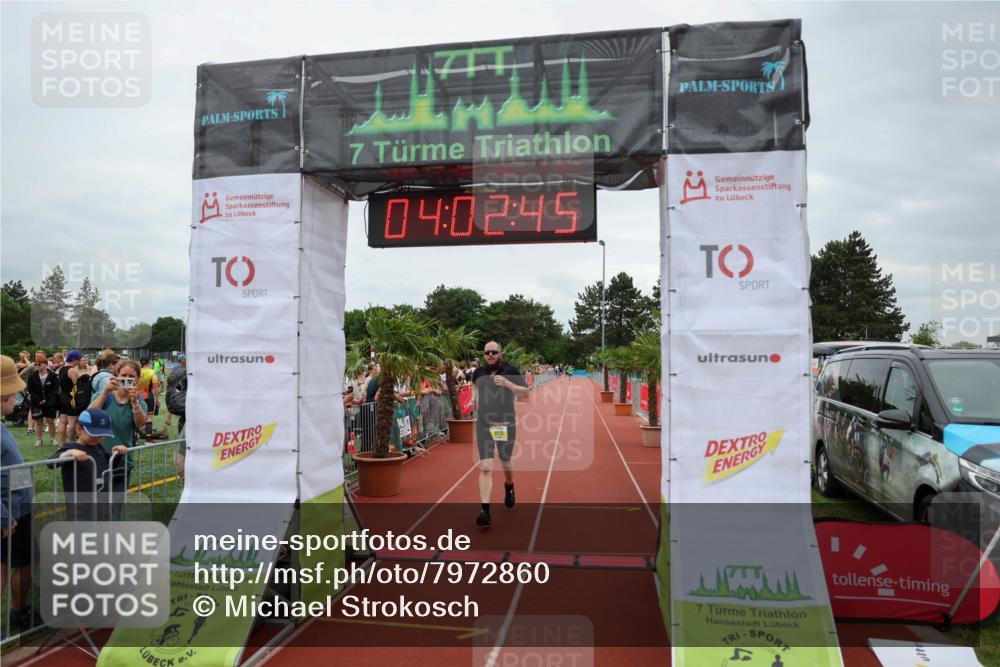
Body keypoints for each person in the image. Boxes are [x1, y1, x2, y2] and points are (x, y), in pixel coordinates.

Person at [471, 342, 530, 527]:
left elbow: (525, 393)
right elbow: (474, 385)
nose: (490, 355)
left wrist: (508, 384)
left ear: (500, 354)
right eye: (487, 352)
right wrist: (474, 398)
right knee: (486, 466)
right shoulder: (478, 372)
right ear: (484, 355)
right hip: (484, 425)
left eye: (494, 352)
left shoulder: (511, 370)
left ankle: (509, 485)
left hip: (505, 424)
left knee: (505, 460)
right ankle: (485, 511)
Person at [1, 355, 33, 630]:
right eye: (12, 395)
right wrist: (3, 516)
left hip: (17, 507)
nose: (16, 399)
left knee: (23, 561)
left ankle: (19, 612)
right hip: (8, 512)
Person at [49, 408, 124, 520]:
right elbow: (51, 463)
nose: (98, 439)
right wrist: (68, 454)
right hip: (80, 507)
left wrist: (116, 455)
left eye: (102, 436)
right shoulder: (70, 447)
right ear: (79, 429)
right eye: (94, 435)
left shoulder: (98, 447)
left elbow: (107, 464)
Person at [90, 360, 146, 496]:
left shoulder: (139, 400)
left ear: (138, 379)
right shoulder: (104, 395)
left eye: (131, 376)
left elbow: (140, 424)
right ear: (116, 376)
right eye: (123, 375)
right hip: (98, 457)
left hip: (123, 460)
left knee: (117, 500)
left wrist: (135, 403)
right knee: (98, 499)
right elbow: (89, 416)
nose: (126, 379)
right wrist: (105, 392)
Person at [26, 353, 59, 447]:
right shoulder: (32, 376)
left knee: (50, 421)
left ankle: (53, 439)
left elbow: (55, 389)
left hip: (50, 402)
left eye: (39, 364)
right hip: (36, 402)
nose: (37, 366)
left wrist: (46, 399)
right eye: (35, 364)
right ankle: (39, 440)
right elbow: (30, 389)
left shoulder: (52, 375)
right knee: (38, 421)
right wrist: (38, 400)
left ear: (45, 364)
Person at [57, 349, 87, 445]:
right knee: (72, 422)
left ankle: (62, 444)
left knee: (62, 422)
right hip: (71, 398)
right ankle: (71, 443)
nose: (79, 362)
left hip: (62, 397)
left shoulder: (61, 369)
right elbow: (77, 386)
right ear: (74, 359)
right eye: (78, 359)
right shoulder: (72, 370)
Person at [137, 358, 159, 439]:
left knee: (137, 416)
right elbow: (155, 387)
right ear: (149, 363)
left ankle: (135, 437)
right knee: (149, 418)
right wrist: (157, 399)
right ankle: (148, 439)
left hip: (139, 395)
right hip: (148, 395)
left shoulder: (136, 371)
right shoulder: (152, 372)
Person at [165, 355, 187, 435]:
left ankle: (168, 419)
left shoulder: (180, 367)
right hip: (177, 389)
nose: (186, 361)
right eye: (185, 359)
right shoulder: (178, 368)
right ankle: (168, 419)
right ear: (182, 360)